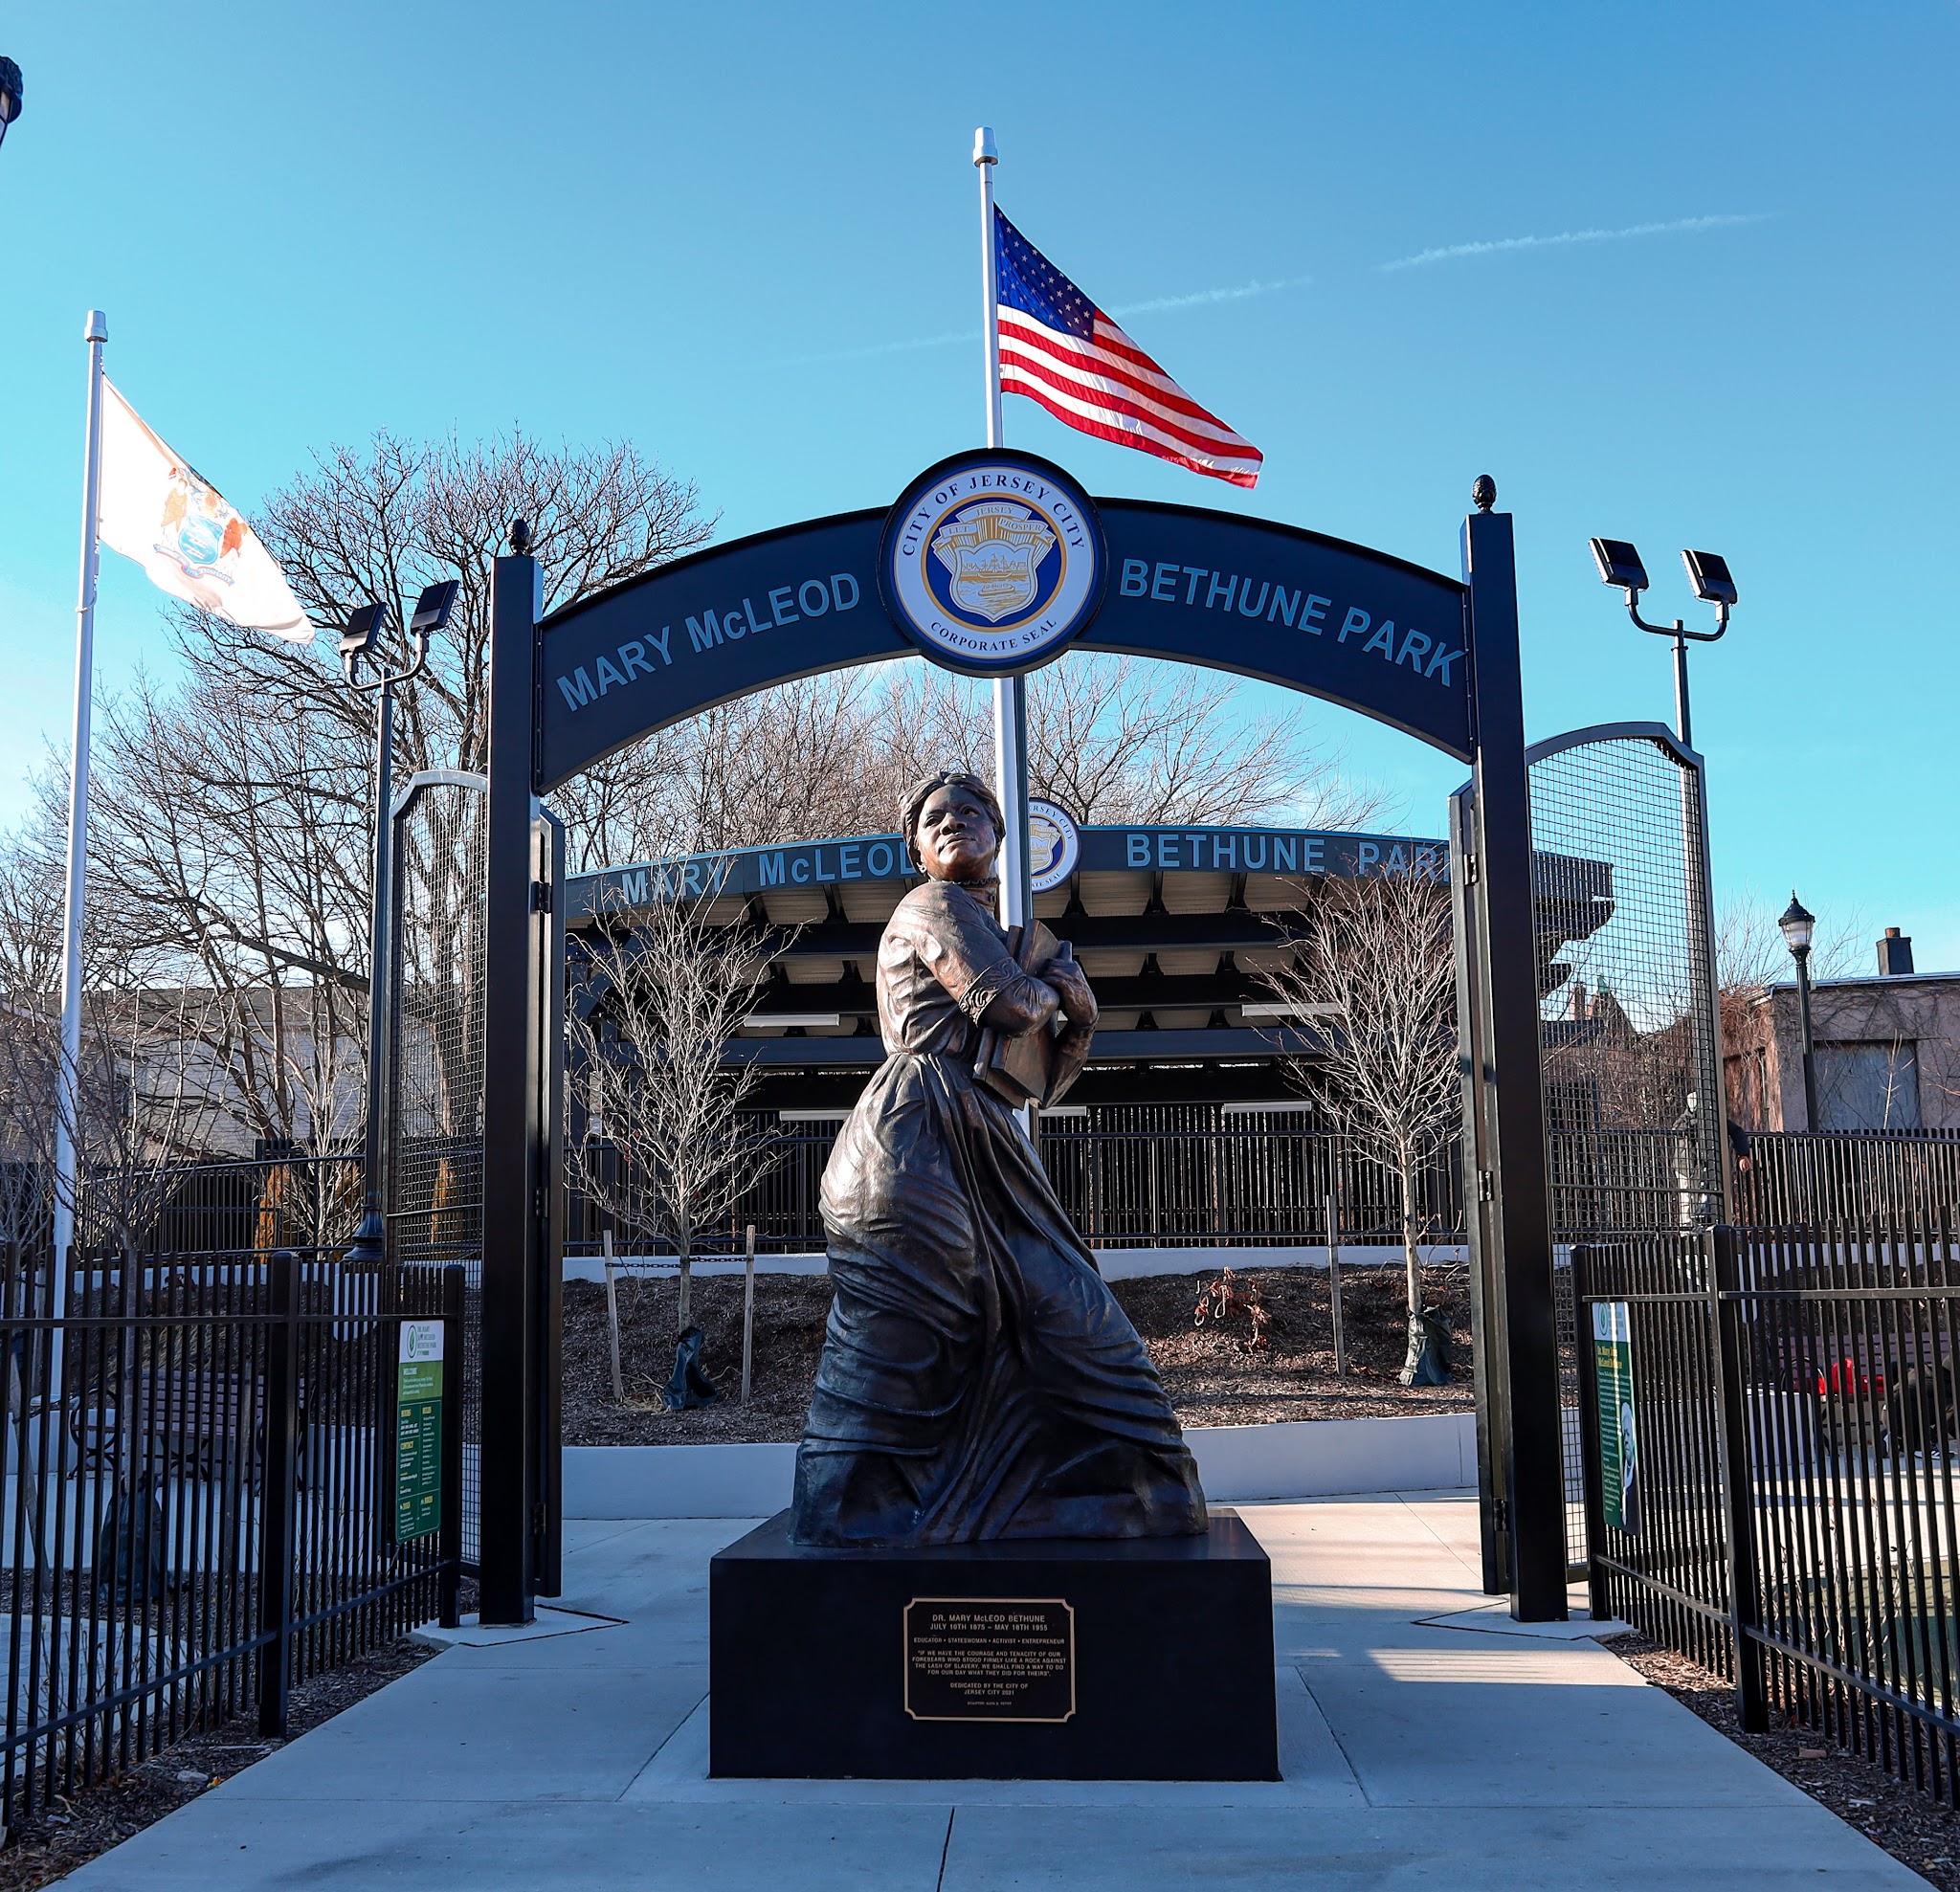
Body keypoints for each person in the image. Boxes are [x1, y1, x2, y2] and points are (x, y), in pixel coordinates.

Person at [790, 770, 1207, 1547]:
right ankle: (842, 1506)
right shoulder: (933, 906)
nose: (954, 821)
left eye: (972, 810)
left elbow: (1033, 1080)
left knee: (1071, 1314)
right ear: (916, 851)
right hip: (913, 1138)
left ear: (1000, 835)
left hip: (979, 1132)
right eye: (935, 817)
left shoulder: (992, 927)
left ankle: (1082, 1495)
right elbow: (1009, 1005)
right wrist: (1055, 990)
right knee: (911, 1329)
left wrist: (1076, 1016)